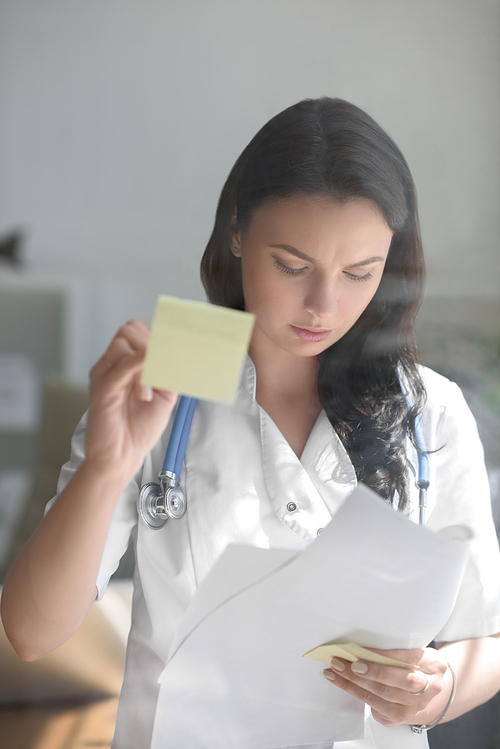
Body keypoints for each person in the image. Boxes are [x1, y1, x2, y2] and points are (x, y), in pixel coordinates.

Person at [2, 97, 500, 749]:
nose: (324, 305)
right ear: (237, 232)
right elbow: (32, 632)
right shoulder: (166, 387)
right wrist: (106, 465)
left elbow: (483, 636)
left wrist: (439, 691)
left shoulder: (430, 411)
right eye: (292, 265)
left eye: (360, 273)